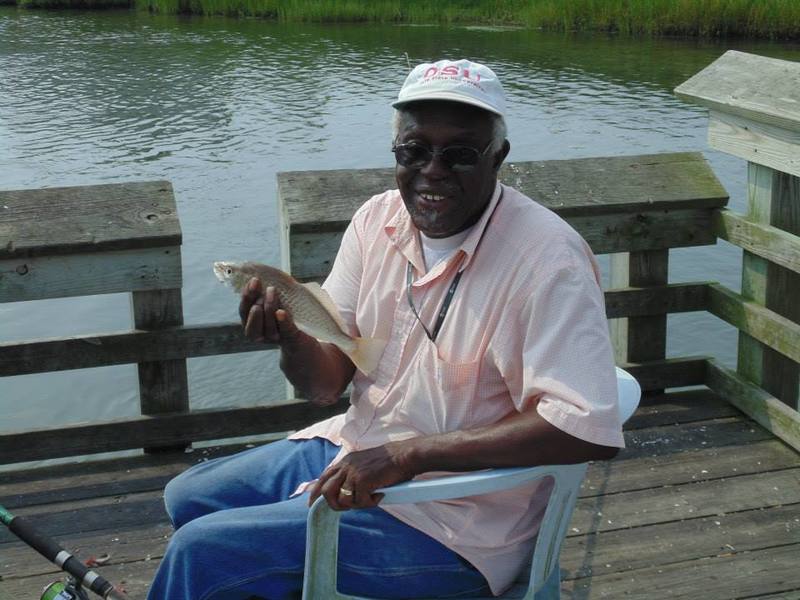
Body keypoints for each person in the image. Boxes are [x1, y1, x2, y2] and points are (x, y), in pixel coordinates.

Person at [147, 59, 624, 600]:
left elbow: (584, 429)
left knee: (203, 552)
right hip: (357, 446)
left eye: (460, 154)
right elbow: (326, 383)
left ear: (498, 157)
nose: (433, 170)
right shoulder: (377, 220)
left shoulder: (548, 260)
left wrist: (407, 455)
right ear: (396, 151)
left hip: (455, 520)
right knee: (189, 496)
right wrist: (292, 338)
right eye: (414, 150)